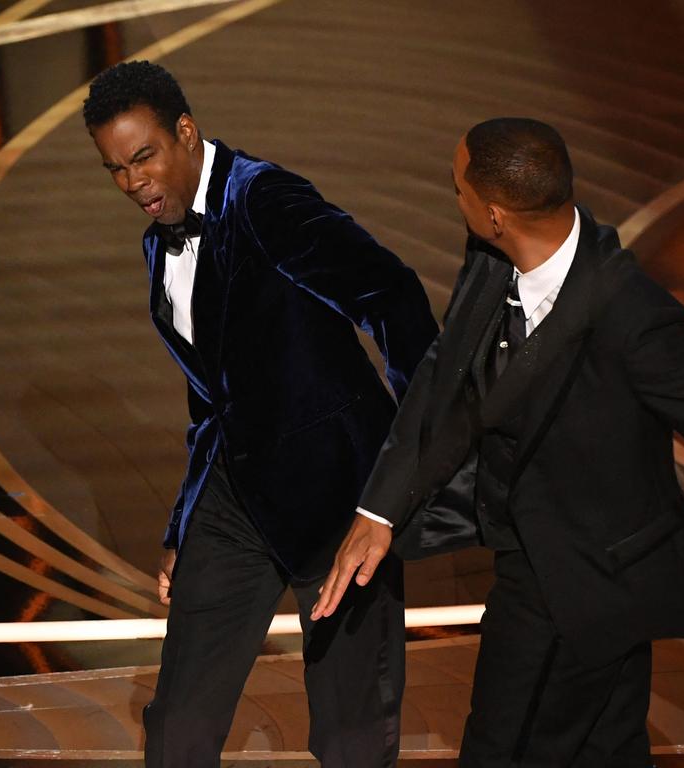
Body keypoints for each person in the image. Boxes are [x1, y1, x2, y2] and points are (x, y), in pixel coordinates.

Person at [312, 117, 684, 766]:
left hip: (587, 573)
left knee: (503, 750)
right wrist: (381, 508)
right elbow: (446, 373)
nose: (456, 198)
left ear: (497, 213)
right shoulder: (491, 255)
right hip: (542, 555)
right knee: (608, 747)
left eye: (458, 189)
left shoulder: (633, 318)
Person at [83, 60, 438, 767]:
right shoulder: (161, 240)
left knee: (350, 735)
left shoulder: (265, 200)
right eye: (115, 169)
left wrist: (406, 465)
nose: (133, 183)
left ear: (185, 132)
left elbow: (393, 297)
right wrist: (185, 523)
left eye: (144, 157)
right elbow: (211, 392)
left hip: (339, 501)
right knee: (178, 724)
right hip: (236, 496)